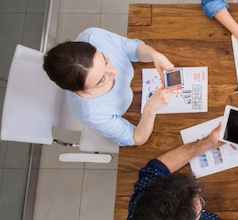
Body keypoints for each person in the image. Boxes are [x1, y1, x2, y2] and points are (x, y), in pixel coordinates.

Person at [43, 27, 178, 146]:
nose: (114, 72)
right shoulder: (93, 113)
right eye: (102, 79)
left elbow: (132, 48)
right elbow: (136, 138)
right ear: (81, 90)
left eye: (105, 60)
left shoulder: (94, 36)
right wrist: (150, 110)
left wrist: (154, 55)